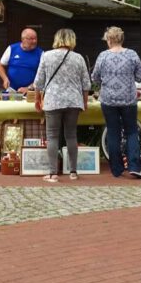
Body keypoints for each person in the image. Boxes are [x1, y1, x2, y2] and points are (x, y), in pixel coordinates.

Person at [33, 28, 90, 183]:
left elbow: (39, 82)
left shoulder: (47, 56)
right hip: (73, 100)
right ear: (72, 40)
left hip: (53, 100)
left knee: (52, 136)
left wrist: (37, 100)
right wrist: (84, 102)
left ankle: (53, 174)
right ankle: (73, 172)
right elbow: (86, 84)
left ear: (57, 39)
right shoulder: (78, 58)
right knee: (71, 135)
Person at [90, 26, 141, 178]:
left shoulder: (103, 56)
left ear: (109, 40)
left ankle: (116, 169)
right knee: (131, 132)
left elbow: (94, 77)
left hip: (108, 100)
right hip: (128, 99)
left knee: (113, 132)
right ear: (122, 39)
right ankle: (134, 166)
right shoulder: (132, 55)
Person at [0, 28, 43, 92]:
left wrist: (29, 88)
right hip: (11, 90)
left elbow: (43, 75)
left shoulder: (41, 53)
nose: (34, 41)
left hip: (30, 92)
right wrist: (5, 79)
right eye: (31, 39)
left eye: (35, 38)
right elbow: (0, 66)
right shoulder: (12, 48)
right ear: (23, 39)